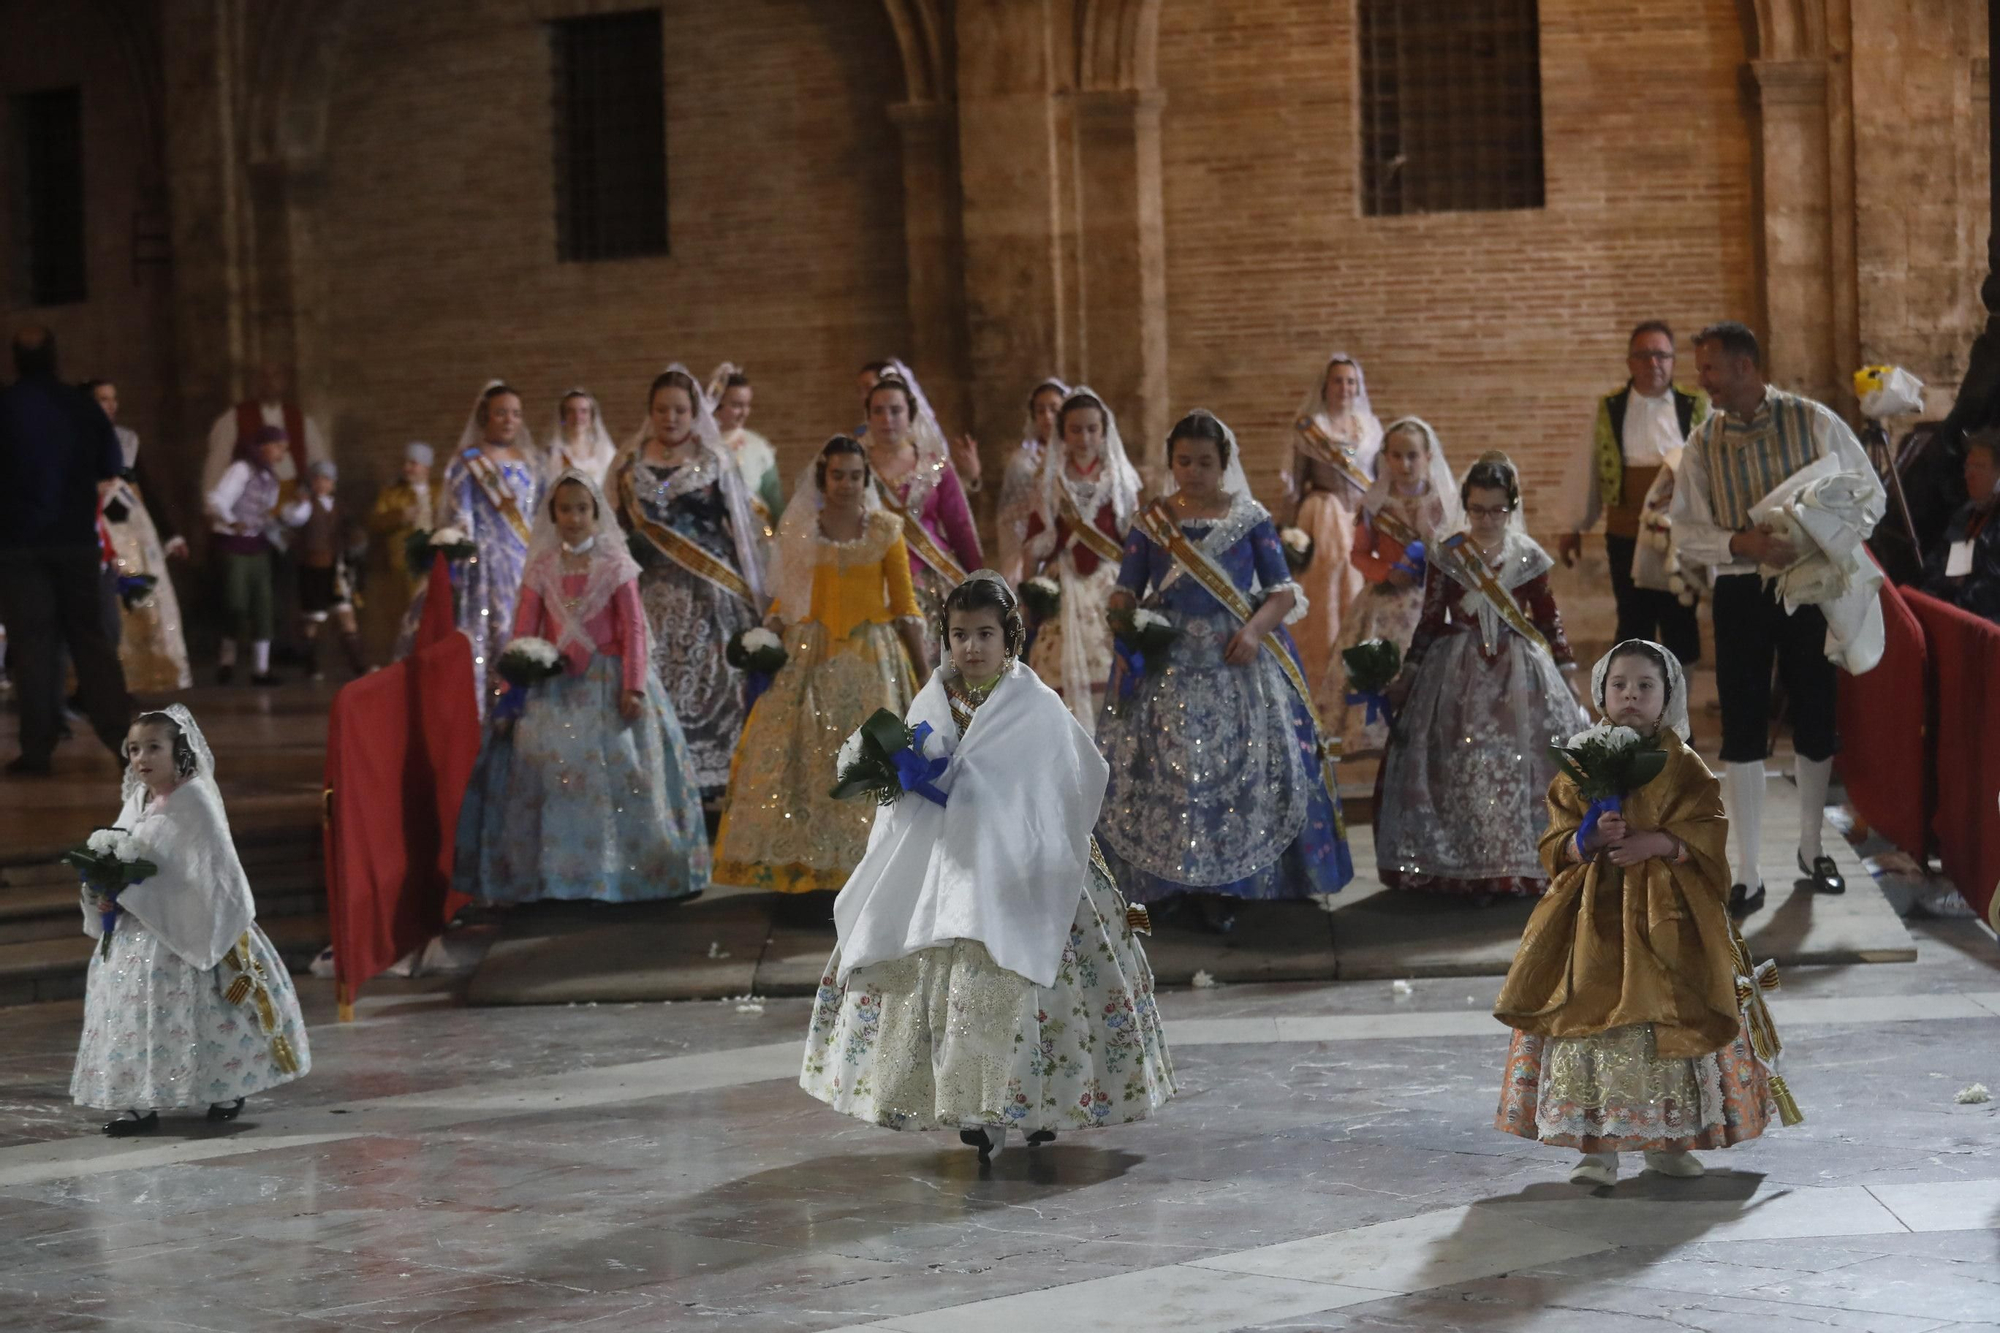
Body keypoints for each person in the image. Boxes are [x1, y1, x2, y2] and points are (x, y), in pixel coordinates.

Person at [800, 572, 1176, 1162]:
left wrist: (1023, 825)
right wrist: (904, 782)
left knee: (1014, 991)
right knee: (957, 993)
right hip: (945, 870)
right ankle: (976, 1113)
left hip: (1019, 872)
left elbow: (1073, 777)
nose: (971, 647)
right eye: (958, 634)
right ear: (945, 639)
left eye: (984, 634)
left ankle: (1034, 1105)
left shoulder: (1036, 706)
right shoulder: (930, 703)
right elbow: (908, 791)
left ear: (1010, 637)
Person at [1495, 640, 1797, 1185]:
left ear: (1667, 697)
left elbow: (1708, 831)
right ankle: (1597, 1147)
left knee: (1671, 1020)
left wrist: (1658, 843)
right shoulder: (1579, 761)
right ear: (1601, 694)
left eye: (1645, 687)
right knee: (1589, 1011)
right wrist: (1582, 840)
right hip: (1592, 921)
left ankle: (1673, 1139)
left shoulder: (1683, 766)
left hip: (1669, 918)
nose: (1631, 696)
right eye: (1620, 686)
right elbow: (1553, 841)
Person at [1095, 410, 1353, 933]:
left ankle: (1232, 884)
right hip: (1166, 662)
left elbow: (1282, 593)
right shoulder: (1152, 521)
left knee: (1237, 770)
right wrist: (1124, 620)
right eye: (1184, 461)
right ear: (1171, 462)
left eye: (1205, 462)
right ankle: (1164, 884)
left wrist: (1255, 631)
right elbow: (1127, 586)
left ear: (1224, 463)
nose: (1194, 471)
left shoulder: (1250, 518)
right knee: (1168, 771)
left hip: (1237, 660)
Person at [1669, 321, 1885, 914]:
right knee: (1742, 725)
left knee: (1816, 715)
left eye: (1709, 368)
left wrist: (1826, 539)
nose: (1702, 381)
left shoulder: (1813, 420)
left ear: (1743, 366)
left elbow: (1869, 493)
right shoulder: (1701, 443)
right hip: (1741, 594)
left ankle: (1813, 848)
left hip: (1812, 588)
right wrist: (1743, 544)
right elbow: (1685, 534)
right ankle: (1748, 873)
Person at [452, 469, 709, 905]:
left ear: (596, 513)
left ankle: (621, 873)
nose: (573, 518)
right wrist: (515, 685)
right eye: (565, 509)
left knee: (622, 774)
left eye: (582, 509)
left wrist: (633, 685)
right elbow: (525, 627)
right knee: (553, 775)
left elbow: (633, 629)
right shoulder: (542, 568)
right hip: (555, 687)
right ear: (553, 514)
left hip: (607, 681)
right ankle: (556, 876)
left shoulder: (617, 567)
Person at [73, 706, 311, 1136]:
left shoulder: (194, 799)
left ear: (177, 750)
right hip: (135, 935)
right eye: (133, 749)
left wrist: (134, 889)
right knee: (129, 1017)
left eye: (153, 748)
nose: (141, 758)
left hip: (190, 931)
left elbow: (208, 873)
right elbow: (123, 855)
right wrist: (105, 890)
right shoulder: (138, 800)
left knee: (200, 1012)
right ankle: (138, 1101)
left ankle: (224, 1088)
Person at [712, 438, 926, 893]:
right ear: (823, 478)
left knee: (871, 758)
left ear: (865, 479)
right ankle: (809, 867)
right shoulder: (803, 530)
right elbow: (785, 598)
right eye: (838, 475)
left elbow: (905, 603)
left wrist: (926, 672)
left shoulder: (887, 529)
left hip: (873, 656)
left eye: (855, 476)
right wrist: (764, 639)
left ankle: (873, 870)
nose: (846, 484)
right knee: (808, 759)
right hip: (810, 652)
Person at [1375, 452, 1590, 899]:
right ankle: (1464, 863)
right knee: (1463, 763)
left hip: (1521, 673)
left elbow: (1549, 620)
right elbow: (1431, 619)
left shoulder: (1528, 557)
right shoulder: (1449, 555)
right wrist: (1410, 674)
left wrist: (1568, 675)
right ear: (1465, 506)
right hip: (1456, 674)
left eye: (1497, 510)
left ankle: (1520, 862)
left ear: (1512, 506)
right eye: (1478, 509)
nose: (1488, 518)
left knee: (1524, 764)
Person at [612, 364, 767, 798]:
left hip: (709, 593)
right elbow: (615, 527)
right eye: (662, 409)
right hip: (650, 594)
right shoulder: (629, 465)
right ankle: (658, 772)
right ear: (650, 412)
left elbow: (741, 528)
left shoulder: (714, 460)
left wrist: (759, 595)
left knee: (714, 681)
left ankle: (715, 779)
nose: (671, 418)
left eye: (680, 410)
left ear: (694, 412)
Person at [0, 327, 131, 774]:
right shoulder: (81, 407)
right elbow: (113, 464)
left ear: (15, 358)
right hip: (75, 542)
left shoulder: (5, 407)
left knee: (32, 648)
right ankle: (124, 746)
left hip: (18, 546)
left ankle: (37, 752)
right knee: (92, 643)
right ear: (56, 357)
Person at [1558, 322, 1710, 665]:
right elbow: (1588, 466)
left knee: (1679, 616)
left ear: (1672, 361)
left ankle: (1676, 708)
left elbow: (1715, 466)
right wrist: (1573, 525)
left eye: (1661, 355)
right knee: (1633, 618)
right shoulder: (1610, 408)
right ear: (1629, 362)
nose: (1652, 363)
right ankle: (1631, 704)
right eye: (1643, 355)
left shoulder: (1696, 406)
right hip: (1625, 530)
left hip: (1680, 531)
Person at [397, 381, 543, 715]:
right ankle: (480, 712)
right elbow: (459, 513)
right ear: (485, 417)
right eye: (501, 413)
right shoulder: (468, 462)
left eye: (516, 414)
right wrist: (464, 553)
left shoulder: (530, 462)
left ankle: (518, 709)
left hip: (521, 560)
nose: (509, 420)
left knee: (519, 632)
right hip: (483, 564)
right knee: (484, 634)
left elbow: (534, 513)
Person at [1324, 416, 1461, 757]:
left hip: (1430, 604)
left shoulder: (1444, 503)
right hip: (1382, 604)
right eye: (1397, 456)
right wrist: (1385, 571)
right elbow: (1357, 553)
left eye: (1413, 455)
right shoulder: (1375, 503)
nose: (1405, 464)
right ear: (1386, 457)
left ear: (1428, 456)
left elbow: (1458, 555)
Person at [1021, 387, 1140, 732]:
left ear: (1104, 432)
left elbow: (1133, 539)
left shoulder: (1120, 479)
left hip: (1110, 583)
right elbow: (1037, 539)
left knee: (1113, 670)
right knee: (1056, 671)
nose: (1085, 437)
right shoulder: (1049, 481)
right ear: (1063, 434)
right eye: (1076, 430)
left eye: (1092, 429)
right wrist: (1029, 593)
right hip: (1066, 582)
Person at [1286, 353, 1383, 714]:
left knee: (1363, 595)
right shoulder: (1310, 427)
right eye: (1338, 381)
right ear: (1325, 387)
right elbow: (1294, 486)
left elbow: (1380, 479)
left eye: (1351, 382)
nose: (1345, 388)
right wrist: (1290, 535)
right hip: (1323, 517)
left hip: (1362, 519)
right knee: (1326, 599)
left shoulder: (1371, 426)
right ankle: (1322, 691)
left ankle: (1360, 689)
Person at [86, 378, 190, 694]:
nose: (111, 405)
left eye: (113, 399)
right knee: (107, 605)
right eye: (103, 399)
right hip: (97, 530)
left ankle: (137, 678)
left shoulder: (127, 440)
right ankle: (99, 683)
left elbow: (146, 485)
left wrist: (171, 534)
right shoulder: (72, 440)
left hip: (134, 531)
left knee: (142, 600)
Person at [864, 361, 983, 625]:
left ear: (910, 414)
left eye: (896, 411)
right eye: (878, 411)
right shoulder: (855, 467)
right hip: (872, 577)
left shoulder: (935, 466)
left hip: (932, 576)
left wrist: (980, 581)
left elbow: (960, 527)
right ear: (868, 417)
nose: (887, 420)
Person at [204, 425, 291, 687]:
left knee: (263, 605)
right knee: (235, 603)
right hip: (235, 547)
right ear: (262, 446)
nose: (281, 453)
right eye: (278, 447)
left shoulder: (270, 477)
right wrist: (232, 522)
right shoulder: (241, 470)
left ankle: (260, 669)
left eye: (283, 449)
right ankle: (227, 662)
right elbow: (216, 499)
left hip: (259, 546)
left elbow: (266, 510)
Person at [279, 460, 366, 681]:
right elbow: (290, 523)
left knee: (346, 614)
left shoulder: (339, 507)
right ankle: (311, 666)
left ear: (333, 483)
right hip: (312, 570)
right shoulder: (304, 506)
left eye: (326, 479)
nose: (321, 483)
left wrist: (356, 542)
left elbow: (350, 528)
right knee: (312, 619)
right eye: (317, 479)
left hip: (336, 570)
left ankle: (358, 664)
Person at [200, 360, 329, 493]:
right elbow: (217, 465)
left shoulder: (302, 421)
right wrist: (212, 507)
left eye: (275, 376)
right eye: (263, 376)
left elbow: (320, 464)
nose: (269, 382)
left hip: (293, 501)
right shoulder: (233, 419)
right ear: (255, 381)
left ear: (285, 382)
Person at [361, 442, 434, 657]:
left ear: (426, 467)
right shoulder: (392, 494)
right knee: (406, 614)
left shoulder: (439, 491)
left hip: (435, 564)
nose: (407, 468)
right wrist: (399, 516)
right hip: (403, 563)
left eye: (413, 463)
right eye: (405, 463)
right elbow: (375, 521)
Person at [1920, 427, 2000, 621]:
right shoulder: (1966, 515)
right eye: (1967, 466)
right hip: (1953, 619)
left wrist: (1949, 593)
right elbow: (1933, 569)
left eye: (1979, 467)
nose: (1968, 475)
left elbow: (1988, 595)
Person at [995, 377, 1068, 584]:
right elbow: (1010, 520)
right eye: (1040, 410)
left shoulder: (1079, 455)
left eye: (1054, 409)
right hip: (1033, 547)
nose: (1047, 417)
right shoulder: (1021, 463)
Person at [709, 363, 784, 527]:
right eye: (736, 405)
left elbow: (774, 497)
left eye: (747, 405)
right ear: (716, 404)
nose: (744, 412)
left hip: (755, 533)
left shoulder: (758, 446)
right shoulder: (700, 445)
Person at [545, 388, 617, 488]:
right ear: (563, 417)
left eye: (583, 411)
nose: (577, 416)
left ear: (592, 418)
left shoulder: (605, 452)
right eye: (571, 411)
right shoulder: (553, 454)